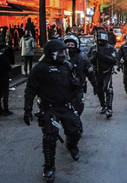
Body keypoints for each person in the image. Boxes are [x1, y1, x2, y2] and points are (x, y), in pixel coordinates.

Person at [24, 39, 82, 183]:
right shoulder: (40, 69)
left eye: (65, 51)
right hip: (50, 108)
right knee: (50, 138)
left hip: (66, 106)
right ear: (51, 53)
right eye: (61, 52)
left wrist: (77, 94)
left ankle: (71, 144)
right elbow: (30, 90)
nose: (64, 54)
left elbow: (76, 85)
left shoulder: (67, 66)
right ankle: (49, 167)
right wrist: (27, 109)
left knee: (76, 131)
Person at [64, 34, 97, 129]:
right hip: (63, 89)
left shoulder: (82, 58)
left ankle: (76, 123)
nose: (69, 47)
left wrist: (95, 85)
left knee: (78, 107)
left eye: (72, 45)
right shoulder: (60, 59)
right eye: (67, 45)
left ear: (76, 45)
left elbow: (90, 73)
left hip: (78, 88)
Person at [88, 30, 118, 118]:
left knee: (108, 88)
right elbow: (88, 60)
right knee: (98, 89)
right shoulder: (93, 48)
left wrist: (101, 56)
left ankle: (109, 108)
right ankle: (103, 105)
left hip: (107, 72)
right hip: (97, 72)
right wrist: (94, 57)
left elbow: (114, 60)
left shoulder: (110, 48)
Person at [0, 43, 13, 116]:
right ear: (2, 49)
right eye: (4, 48)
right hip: (4, 77)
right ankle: (6, 110)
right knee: (5, 94)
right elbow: (8, 67)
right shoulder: (2, 57)